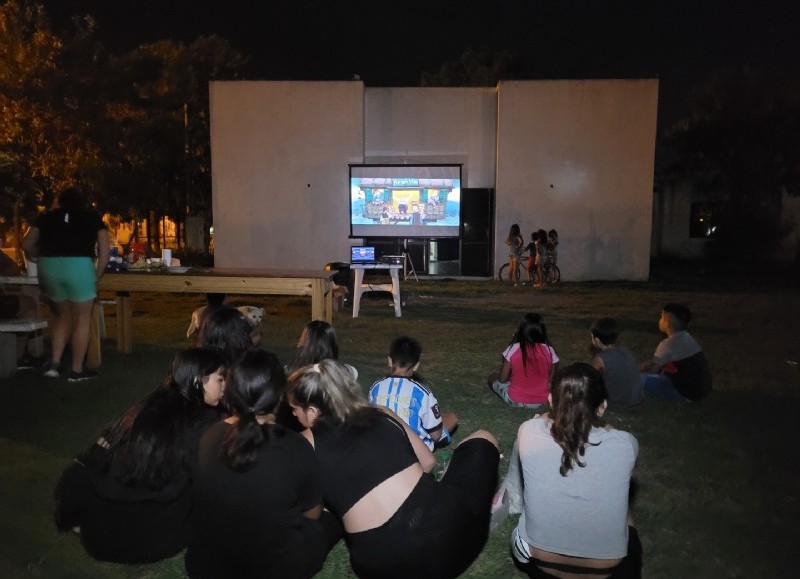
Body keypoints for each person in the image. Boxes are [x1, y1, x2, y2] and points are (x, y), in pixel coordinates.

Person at [287, 360, 500, 579]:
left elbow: (311, 511)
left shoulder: (302, 444)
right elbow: (427, 462)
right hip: (455, 542)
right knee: (483, 437)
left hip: (383, 569)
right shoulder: (380, 412)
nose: (293, 415)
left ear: (312, 411)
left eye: (294, 409)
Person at [53, 348, 227, 563]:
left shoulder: (148, 408)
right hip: (153, 543)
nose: (225, 386)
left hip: (98, 538)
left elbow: (95, 460)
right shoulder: (203, 425)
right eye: (221, 379)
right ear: (197, 381)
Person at [186, 349, 337, 578]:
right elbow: (312, 514)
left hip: (207, 566)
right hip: (273, 568)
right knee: (332, 519)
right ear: (279, 396)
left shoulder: (210, 436)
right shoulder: (296, 446)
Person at [508, 363, 642, 579]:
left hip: (542, 565)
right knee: (624, 506)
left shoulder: (528, 432)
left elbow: (549, 421)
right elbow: (605, 432)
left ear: (551, 400)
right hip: (607, 570)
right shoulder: (626, 444)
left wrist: (556, 411)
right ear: (602, 407)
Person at [21, 187, 110, 381]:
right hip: (79, 266)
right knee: (83, 317)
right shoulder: (92, 217)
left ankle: (54, 364)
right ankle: (77, 370)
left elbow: (26, 244)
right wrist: (96, 274)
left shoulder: (45, 218)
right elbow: (104, 253)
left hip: (49, 267)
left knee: (62, 316)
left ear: (59, 201)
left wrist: (39, 256)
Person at [368, 335, 457, 450]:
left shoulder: (375, 388)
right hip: (413, 454)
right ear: (416, 365)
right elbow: (436, 435)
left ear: (390, 360)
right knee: (451, 418)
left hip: (380, 446)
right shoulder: (423, 393)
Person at [639, 303, 712, 401]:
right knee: (663, 370)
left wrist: (640, 370)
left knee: (642, 379)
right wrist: (646, 365)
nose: (659, 321)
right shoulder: (687, 338)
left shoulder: (667, 344)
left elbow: (653, 371)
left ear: (668, 322)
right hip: (702, 392)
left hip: (685, 394)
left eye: (661, 318)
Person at [489, 313, 559, 410]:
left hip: (515, 400)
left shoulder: (513, 349)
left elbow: (502, 379)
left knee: (492, 377)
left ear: (521, 330)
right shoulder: (550, 351)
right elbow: (551, 380)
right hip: (543, 401)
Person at [589, 317, 643, 408]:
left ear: (597, 340)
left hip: (618, 402)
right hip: (637, 398)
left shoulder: (600, 359)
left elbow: (588, 379)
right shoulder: (625, 351)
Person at [292, 319, 357, 379]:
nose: (298, 344)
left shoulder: (294, 376)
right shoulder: (349, 373)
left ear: (307, 348)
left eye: (301, 339)